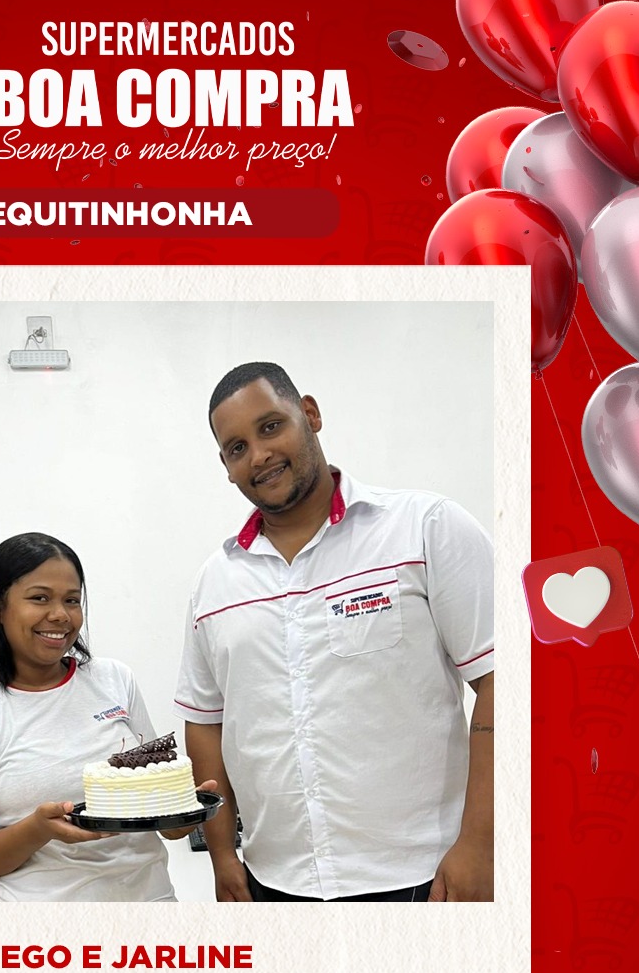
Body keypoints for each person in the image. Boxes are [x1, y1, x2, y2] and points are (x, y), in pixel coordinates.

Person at [175, 361, 494, 903]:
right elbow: (206, 723)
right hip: (275, 882)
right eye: (237, 448)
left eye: (271, 427)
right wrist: (223, 856)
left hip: (421, 876)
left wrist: (481, 844)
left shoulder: (424, 528)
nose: (259, 455)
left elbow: (502, 680)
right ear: (226, 467)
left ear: (310, 414)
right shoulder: (215, 582)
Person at [0, 533, 209, 902]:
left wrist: (184, 809)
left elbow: (162, 820)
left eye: (72, 600)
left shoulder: (115, 680)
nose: (60, 615)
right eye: (40, 598)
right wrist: (38, 830)